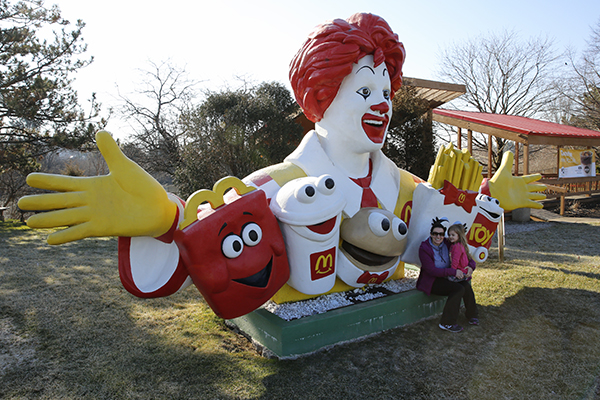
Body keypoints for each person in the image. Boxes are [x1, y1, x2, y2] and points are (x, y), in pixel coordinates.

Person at [417, 219, 479, 333]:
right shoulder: (424, 249)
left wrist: (471, 266)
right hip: (433, 281)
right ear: (431, 234)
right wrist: (452, 272)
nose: (438, 237)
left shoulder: (447, 243)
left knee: (465, 285)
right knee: (458, 289)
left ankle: (472, 315)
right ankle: (447, 322)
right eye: (435, 234)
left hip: (448, 277)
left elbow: (466, 255)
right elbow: (432, 271)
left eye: (441, 234)